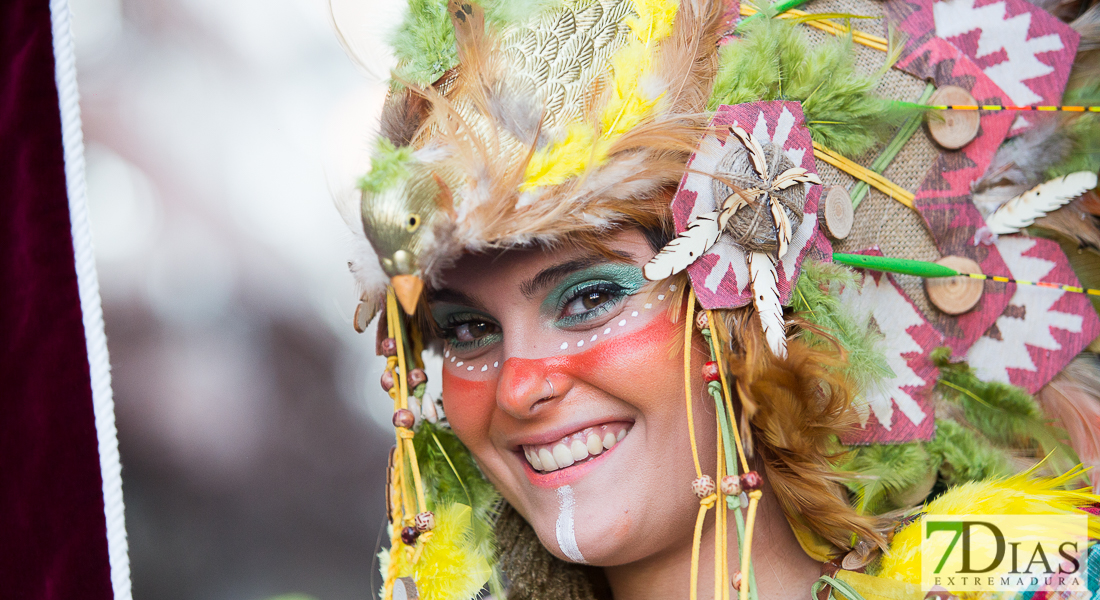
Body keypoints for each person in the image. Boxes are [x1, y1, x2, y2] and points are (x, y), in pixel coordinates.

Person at [343, 0, 1100, 598]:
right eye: (468, 330)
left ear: (751, 303)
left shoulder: (1020, 578)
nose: (518, 386)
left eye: (589, 297)